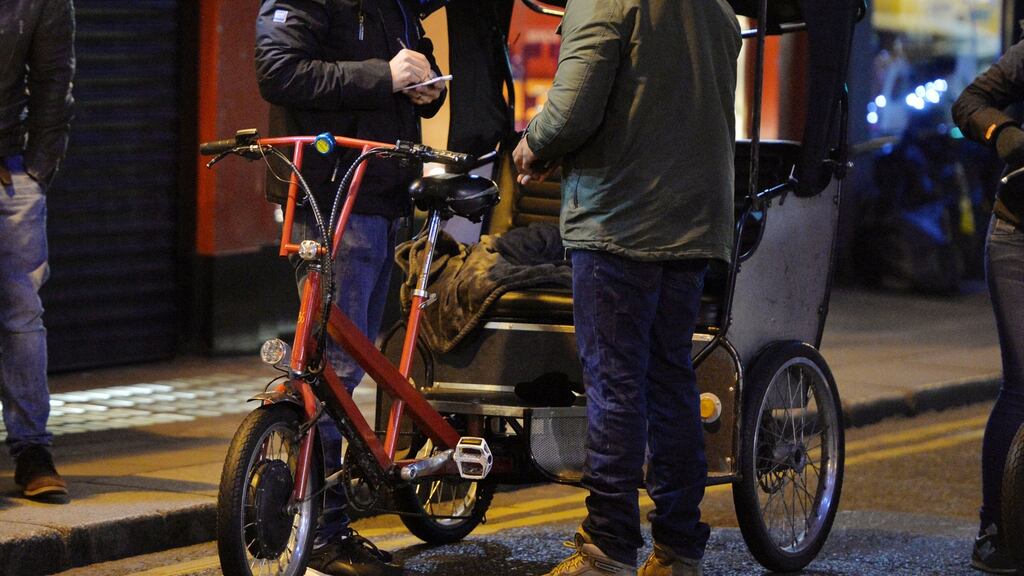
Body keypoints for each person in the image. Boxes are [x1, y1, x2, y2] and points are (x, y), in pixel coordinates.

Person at [514, 1, 741, 574]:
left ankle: (608, 545)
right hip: (693, 220)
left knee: (615, 385)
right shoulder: (717, 7)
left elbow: (572, 109)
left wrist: (533, 145)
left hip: (621, 217)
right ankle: (679, 547)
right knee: (669, 378)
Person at [255, 1, 446, 574]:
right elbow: (277, 70)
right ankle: (325, 529)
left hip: (386, 195)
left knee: (349, 363)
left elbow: (417, 60)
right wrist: (384, 76)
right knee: (332, 369)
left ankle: (326, 514)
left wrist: (425, 85)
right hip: (331, 196)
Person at [953, 39, 1024, 575]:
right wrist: (1003, 131)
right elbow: (969, 102)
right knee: (1022, 385)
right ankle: (994, 528)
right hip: (1016, 236)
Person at [0, 0, 75, 503]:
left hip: (11, 171)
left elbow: (54, 78)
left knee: (22, 314)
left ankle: (31, 453)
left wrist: (37, 169)